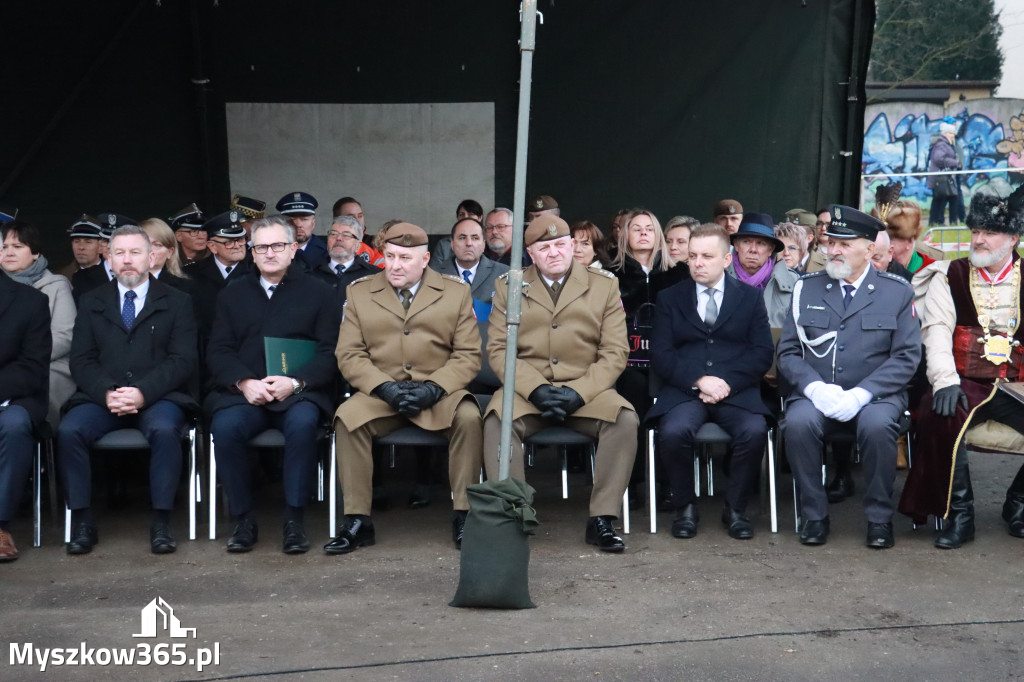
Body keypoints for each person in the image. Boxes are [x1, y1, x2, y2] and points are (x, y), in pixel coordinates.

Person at [483, 215, 638, 552]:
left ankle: (602, 519)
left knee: (624, 419)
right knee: (498, 420)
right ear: (530, 253)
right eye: (544, 247)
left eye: (559, 244)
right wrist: (535, 388)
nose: (553, 252)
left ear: (572, 246)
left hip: (586, 388)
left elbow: (615, 351)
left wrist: (580, 392)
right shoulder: (509, 285)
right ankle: (514, 517)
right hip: (528, 389)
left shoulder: (604, 285)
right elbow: (498, 349)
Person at [327, 223, 482, 554]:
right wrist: (383, 388)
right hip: (382, 393)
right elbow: (349, 354)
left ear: (425, 259)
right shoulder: (359, 291)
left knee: (469, 418)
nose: (395, 265)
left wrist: (434, 388)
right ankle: (357, 520)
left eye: (405, 258)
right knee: (347, 418)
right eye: (390, 256)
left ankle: (465, 514)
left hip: (439, 392)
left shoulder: (455, 292)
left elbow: (468, 356)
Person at [777, 205, 921, 548]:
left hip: (876, 397)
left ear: (870, 248)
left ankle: (879, 518)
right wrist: (813, 388)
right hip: (818, 393)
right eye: (831, 242)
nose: (833, 250)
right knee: (798, 423)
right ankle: (813, 515)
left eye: (845, 243)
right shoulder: (806, 288)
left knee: (876, 425)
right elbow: (788, 352)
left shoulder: (896, 292)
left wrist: (862, 393)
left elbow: (906, 357)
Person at [58, 225, 199, 555]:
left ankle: (162, 521)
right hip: (102, 397)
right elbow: (81, 359)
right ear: (108, 257)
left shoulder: (178, 302)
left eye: (135, 252)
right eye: (119, 253)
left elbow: (182, 360)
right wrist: (108, 392)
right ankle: (81, 521)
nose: (127, 260)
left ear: (151, 257)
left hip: (158, 397)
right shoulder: (92, 301)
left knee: (165, 430)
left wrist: (142, 393)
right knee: (69, 431)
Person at [206, 216, 341, 554]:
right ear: (252, 252)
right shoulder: (232, 294)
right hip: (245, 394)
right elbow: (218, 349)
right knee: (224, 427)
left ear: (293, 249)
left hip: (299, 392)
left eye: (277, 245)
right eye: (261, 247)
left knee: (303, 424)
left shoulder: (321, 293)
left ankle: (294, 520)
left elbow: (332, 351)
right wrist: (243, 381)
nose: (269, 253)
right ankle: (243, 520)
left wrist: (296, 381)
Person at [899, 189, 1024, 548]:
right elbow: (936, 331)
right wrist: (944, 382)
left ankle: (1018, 501)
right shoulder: (948, 274)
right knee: (938, 414)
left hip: (1016, 384)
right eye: (975, 231)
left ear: (1013, 238)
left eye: (990, 232)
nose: (979, 239)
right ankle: (960, 514)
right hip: (964, 379)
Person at [648, 223, 773, 539]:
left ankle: (735, 509)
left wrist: (725, 383)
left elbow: (761, 353)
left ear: (727, 260)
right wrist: (698, 380)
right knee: (673, 432)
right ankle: (685, 508)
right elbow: (661, 354)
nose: (698, 263)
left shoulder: (749, 298)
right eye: (692, 256)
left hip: (735, 391)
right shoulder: (669, 297)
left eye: (706, 256)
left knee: (754, 431)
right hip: (685, 390)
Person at [608, 209, 676, 504]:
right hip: (625, 363)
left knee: (668, 408)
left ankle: (666, 483)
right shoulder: (610, 276)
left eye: (650, 228)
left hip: (668, 362)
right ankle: (632, 483)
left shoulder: (679, 274)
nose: (644, 233)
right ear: (625, 235)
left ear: (658, 235)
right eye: (636, 228)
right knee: (632, 403)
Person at [1, 221, 76, 428]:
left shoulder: (56, 284)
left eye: (18, 247)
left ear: (35, 253)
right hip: (5, 363)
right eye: (4, 247)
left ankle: (39, 432)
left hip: (48, 362)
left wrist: (26, 355)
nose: (9, 253)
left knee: (37, 381)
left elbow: (66, 335)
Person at [0, 267, 51, 561]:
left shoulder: (29, 301)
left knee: (15, 425)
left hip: (12, 399)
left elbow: (32, 368)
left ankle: (1, 525)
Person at [184, 210, 253, 360]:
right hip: (206, 357)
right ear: (212, 246)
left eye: (240, 239)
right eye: (228, 242)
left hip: (248, 354)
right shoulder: (191, 275)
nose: (237, 245)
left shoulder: (258, 271)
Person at [725, 212, 799, 327]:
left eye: (761, 243)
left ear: (771, 249)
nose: (753, 249)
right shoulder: (718, 276)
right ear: (736, 245)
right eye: (746, 242)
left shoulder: (793, 282)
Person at [430, 217, 509, 304]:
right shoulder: (434, 275)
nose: (468, 243)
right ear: (452, 244)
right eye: (462, 238)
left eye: (475, 238)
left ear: (483, 245)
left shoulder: (504, 274)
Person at [310, 214, 381, 307]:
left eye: (346, 235)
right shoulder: (310, 273)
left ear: (358, 246)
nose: (338, 238)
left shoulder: (375, 276)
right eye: (333, 234)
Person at [71, 213, 128, 303]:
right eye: (105, 241)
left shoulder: (145, 274)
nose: (109, 246)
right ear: (100, 245)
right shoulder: (80, 278)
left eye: (116, 241)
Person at [877, 200, 935, 275]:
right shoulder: (873, 263)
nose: (886, 243)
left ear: (910, 241)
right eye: (885, 237)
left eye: (891, 238)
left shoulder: (932, 269)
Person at [276, 192, 328, 269]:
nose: (298, 224)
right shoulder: (271, 251)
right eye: (292, 219)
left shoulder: (327, 252)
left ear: (313, 224)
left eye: (304, 219)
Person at [139, 218, 190, 290]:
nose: (149, 250)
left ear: (170, 252)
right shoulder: (120, 282)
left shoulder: (185, 288)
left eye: (157, 245)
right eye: (144, 243)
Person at [928, 121, 962, 227]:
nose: (953, 136)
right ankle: (939, 222)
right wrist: (955, 163)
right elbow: (938, 159)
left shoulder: (944, 144)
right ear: (945, 133)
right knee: (942, 200)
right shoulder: (941, 145)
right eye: (951, 133)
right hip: (941, 179)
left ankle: (940, 222)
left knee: (943, 200)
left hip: (943, 178)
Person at [332, 196, 382, 265]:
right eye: (351, 217)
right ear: (336, 220)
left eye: (360, 216)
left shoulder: (376, 243)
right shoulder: (325, 245)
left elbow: (381, 273)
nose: (357, 220)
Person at [58, 214, 105, 279]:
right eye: (77, 241)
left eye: (88, 242)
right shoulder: (62, 277)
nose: (81, 247)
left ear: (101, 246)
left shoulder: (116, 274)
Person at [784, 209, 825, 273]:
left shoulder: (826, 265)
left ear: (809, 238)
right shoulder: (776, 260)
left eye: (795, 234)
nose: (789, 238)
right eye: (786, 233)